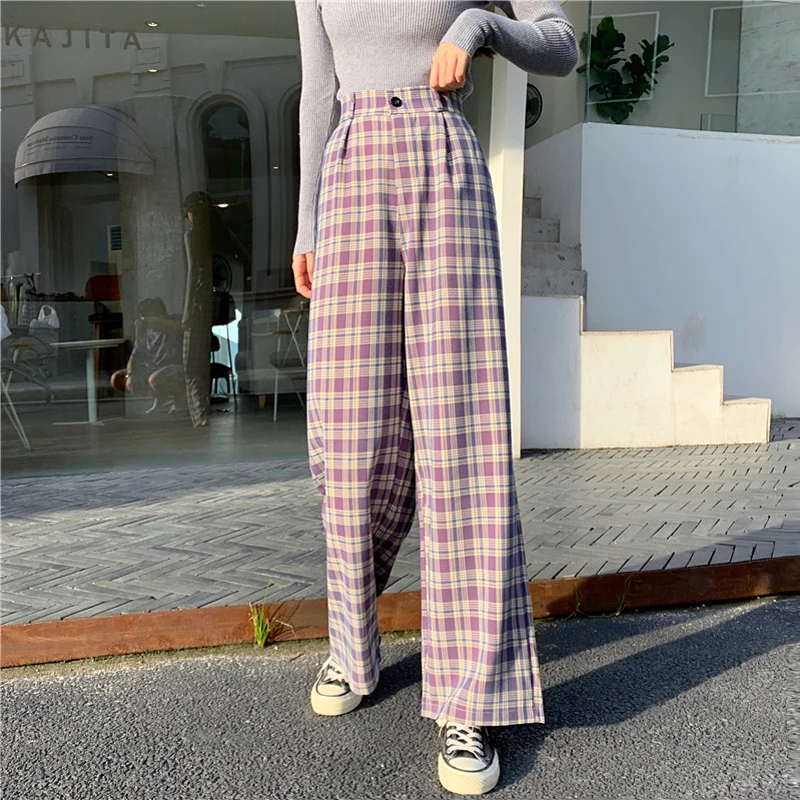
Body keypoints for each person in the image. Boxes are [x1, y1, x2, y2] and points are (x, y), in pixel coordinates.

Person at [292, 1, 578, 795]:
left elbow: (561, 44)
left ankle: (470, 696)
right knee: (350, 432)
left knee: (462, 437)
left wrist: (480, 25)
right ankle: (352, 644)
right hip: (351, 170)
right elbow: (318, 89)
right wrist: (305, 224)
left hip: (442, 160)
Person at [110, 298, 185, 414]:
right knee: (117, 378)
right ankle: (160, 402)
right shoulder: (145, 333)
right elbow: (133, 358)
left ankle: (181, 398)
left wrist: (157, 322)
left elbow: (182, 327)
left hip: (177, 367)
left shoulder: (175, 320)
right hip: (153, 368)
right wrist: (130, 375)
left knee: (154, 379)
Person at [182, 192, 214, 428]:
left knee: (190, 363)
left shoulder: (192, 236)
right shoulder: (213, 236)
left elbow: (193, 272)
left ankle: (199, 414)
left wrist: (186, 312)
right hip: (210, 303)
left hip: (196, 305)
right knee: (201, 360)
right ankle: (204, 410)